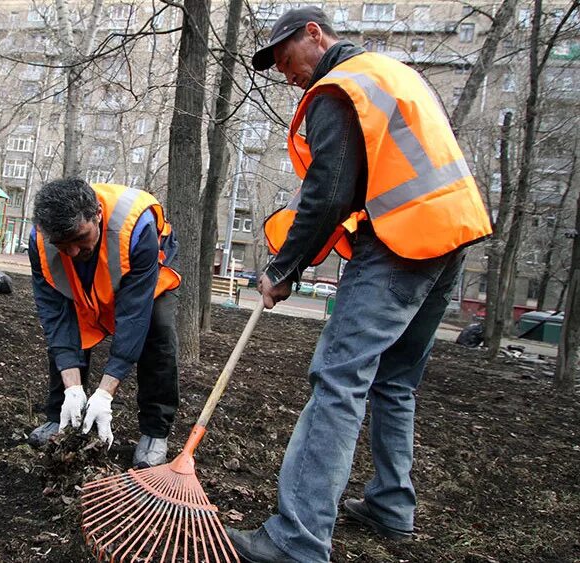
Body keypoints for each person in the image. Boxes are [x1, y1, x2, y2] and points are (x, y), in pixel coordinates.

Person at [226, 7, 492, 562]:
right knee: (394, 380)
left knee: (338, 380)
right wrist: (294, 259)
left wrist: (282, 270)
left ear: (315, 35)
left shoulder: (339, 90)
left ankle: (297, 539)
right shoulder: (390, 73)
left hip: (402, 246)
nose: (284, 72)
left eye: (284, 56)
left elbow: (329, 192)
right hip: (450, 235)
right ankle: (392, 506)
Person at [26, 178, 181, 468]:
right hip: (85, 279)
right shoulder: (41, 242)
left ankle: (154, 432)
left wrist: (105, 394)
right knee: (67, 328)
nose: (72, 252)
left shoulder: (137, 227)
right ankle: (60, 415)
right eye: (62, 244)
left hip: (147, 269)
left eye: (80, 238)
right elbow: (57, 319)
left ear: (97, 214)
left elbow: (134, 317)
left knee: (157, 332)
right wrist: (73, 388)